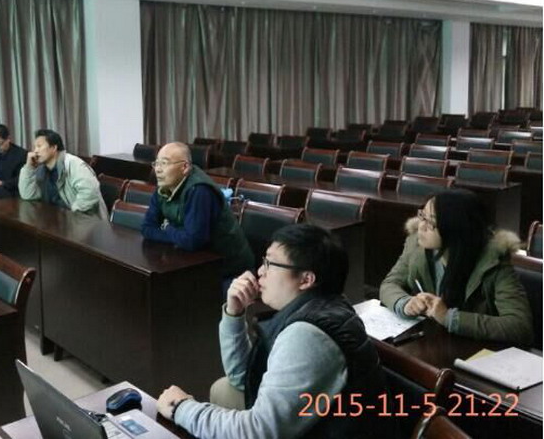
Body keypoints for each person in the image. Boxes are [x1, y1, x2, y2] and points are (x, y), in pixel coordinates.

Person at [156, 224, 393, 439]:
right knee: (225, 388)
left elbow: (260, 431)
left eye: (270, 264)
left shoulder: (307, 336)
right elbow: (242, 377)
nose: (260, 271)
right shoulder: (319, 306)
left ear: (306, 280)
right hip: (322, 424)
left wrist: (181, 408)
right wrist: (234, 313)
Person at [380, 188, 533, 345]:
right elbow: (390, 284)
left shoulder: (494, 261)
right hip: (433, 341)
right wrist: (405, 303)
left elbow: (520, 326)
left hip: (474, 348)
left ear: (456, 228)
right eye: (422, 216)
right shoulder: (416, 245)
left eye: (431, 222)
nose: (421, 226)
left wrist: (449, 318)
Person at [141, 142, 254, 283]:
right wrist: (178, 235)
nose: (158, 169)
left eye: (164, 163)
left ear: (185, 167)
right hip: (194, 263)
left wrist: (167, 227)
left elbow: (192, 241)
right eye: (156, 163)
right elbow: (146, 228)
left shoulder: (200, 190)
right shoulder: (164, 187)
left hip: (230, 272)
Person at [18, 129, 107, 218]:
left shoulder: (73, 164)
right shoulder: (41, 169)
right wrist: (29, 168)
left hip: (84, 219)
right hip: (55, 218)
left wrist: (72, 213)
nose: (35, 151)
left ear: (54, 148)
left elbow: (90, 193)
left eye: (39, 146)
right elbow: (28, 195)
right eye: (34, 147)